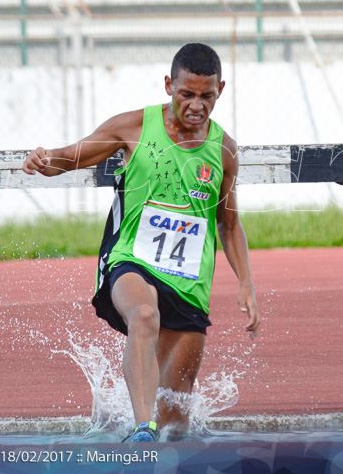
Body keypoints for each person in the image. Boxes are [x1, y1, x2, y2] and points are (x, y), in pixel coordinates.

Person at [22, 43, 260, 442]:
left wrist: (246, 284)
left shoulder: (224, 150)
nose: (197, 106)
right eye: (187, 94)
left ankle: (157, 432)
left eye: (207, 96)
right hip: (133, 261)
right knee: (144, 317)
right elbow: (72, 156)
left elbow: (229, 224)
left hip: (189, 283)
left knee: (177, 424)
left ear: (221, 89)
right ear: (169, 85)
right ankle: (141, 428)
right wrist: (44, 160)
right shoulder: (134, 127)